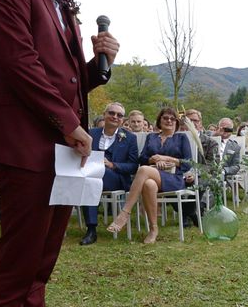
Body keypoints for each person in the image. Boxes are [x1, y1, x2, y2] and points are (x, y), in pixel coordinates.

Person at [0, 0, 120, 307]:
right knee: (17, 268)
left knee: (40, 266)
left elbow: (70, 80)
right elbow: (18, 63)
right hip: (25, 149)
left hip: (61, 155)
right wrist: (68, 123)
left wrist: (98, 65)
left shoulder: (64, 9)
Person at [107, 107, 192, 243]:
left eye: (172, 119)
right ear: (159, 120)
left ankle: (125, 212)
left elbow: (188, 162)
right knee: (148, 184)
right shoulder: (151, 137)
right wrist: (152, 159)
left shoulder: (181, 137)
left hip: (174, 178)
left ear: (176, 122)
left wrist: (167, 159)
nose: (169, 121)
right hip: (154, 176)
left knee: (144, 170)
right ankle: (153, 229)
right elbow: (142, 159)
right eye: (165, 118)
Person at [79, 102, 139, 245]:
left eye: (119, 115)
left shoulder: (130, 138)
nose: (115, 117)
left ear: (123, 120)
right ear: (104, 115)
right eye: (111, 113)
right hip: (90, 175)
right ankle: (91, 229)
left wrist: (113, 165)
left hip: (117, 178)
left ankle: (91, 229)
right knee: (89, 180)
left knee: (90, 178)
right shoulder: (91, 133)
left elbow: (133, 166)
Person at [179, 109, 219, 225]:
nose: (193, 123)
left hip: (202, 175)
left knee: (201, 182)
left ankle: (186, 213)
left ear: (200, 123)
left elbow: (212, 165)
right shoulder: (177, 139)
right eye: (189, 120)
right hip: (181, 174)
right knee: (168, 182)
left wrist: (195, 172)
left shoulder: (211, 142)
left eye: (195, 120)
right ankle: (191, 212)